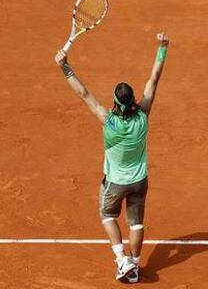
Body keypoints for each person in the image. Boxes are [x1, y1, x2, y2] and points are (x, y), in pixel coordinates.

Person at [54, 33, 169, 283]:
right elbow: (154, 79)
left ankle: (121, 259)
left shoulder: (108, 121)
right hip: (140, 181)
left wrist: (64, 66)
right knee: (136, 224)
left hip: (115, 184)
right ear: (132, 99)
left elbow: (83, 93)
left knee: (107, 216)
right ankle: (135, 265)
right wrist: (162, 48)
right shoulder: (143, 115)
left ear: (115, 102)